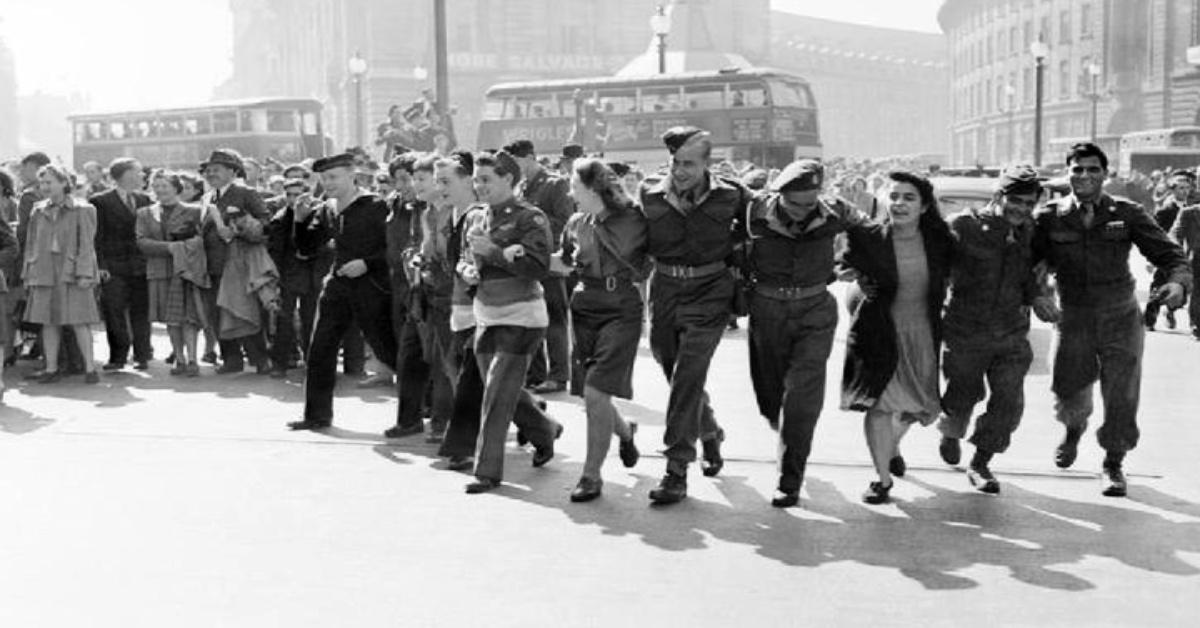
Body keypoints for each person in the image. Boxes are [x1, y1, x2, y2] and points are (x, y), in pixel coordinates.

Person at [1032, 142, 1191, 497]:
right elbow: (1026, 265)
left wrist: (1178, 283)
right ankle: (1073, 431)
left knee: (1121, 394)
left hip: (1120, 316)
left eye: (1092, 170)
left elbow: (1170, 254)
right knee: (1068, 394)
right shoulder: (1049, 217)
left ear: (1105, 175)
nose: (1084, 176)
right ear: (1068, 173)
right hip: (1073, 318)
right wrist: (1037, 294)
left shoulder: (1127, 213)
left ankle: (1113, 462)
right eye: (1077, 170)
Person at [639, 127, 751, 505]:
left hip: (710, 293)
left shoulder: (731, 196)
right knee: (671, 367)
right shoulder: (648, 192)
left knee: (688, 375)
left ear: (708, 164)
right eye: (675, 163)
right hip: (666, 289)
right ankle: (709, 430)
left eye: (689, 164)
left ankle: (676, 470)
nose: (681, 171)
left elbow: (760, 226)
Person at [742, 160, 859, 508]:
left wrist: (854, 262)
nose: (803, 212)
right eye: (795, 205)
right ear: (780, 194)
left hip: (815, 312)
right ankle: (782, 431)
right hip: (767, 310)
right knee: (770, 396)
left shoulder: (835, 211)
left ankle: (790, 477)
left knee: (803, 396)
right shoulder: (754, 212)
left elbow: (872, 233)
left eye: (810, 204)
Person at [839, 170, 953, 504]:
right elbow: (842, 268)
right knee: (879, 407)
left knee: (918, 409)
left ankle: (892, 447)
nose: (899, 203)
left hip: (923, 336)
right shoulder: (867, 237)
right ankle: (881, 477)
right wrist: (859, 282)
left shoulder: (940, 241)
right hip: (878, 334)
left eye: (909, 197)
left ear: (924, 206)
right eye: (894, 196)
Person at [937, 166, 1050, 494]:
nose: (1022, 209)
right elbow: (936, 267)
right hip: (965, 330)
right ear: (1000, 196)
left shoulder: (1031, 231)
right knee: (962, 392)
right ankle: (951, 430)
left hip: (1012, 332)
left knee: (1009, 401)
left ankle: (981, 461)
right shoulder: (963, 226)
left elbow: (1030, 275)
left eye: (1029, 203)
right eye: (1016, 200)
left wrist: (1039, 297)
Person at [458, 150, 563, 493]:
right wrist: (468, 270)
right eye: (476, 179)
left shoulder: (529, 218)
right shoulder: (476, 218)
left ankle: (486, 470)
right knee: (501, 389)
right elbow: (461, 260)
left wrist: (493, 253)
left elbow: (538, 266)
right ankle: (545, 428)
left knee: (496, 394)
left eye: (486, 179)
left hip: (523, 317)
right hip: (486, 315)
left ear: (509, 179)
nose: (479, 186)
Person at [287, 153, 398, 431]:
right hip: (337, 286)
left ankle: (424, 410)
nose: (328, 183)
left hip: (372, 287)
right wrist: (299, 221)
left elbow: (393, 250)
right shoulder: (326, 208)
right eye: (324, 178)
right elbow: (306, 249)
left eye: (333, 177)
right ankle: (316, 415)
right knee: (320, 349)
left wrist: (367, 264)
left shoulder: (376, 206)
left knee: (389, 349)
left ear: (353, 175)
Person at [559, 158, 646, 502]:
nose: (570, 193)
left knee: (596, 393)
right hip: (584, 307)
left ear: (593, 188)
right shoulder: (576, 222)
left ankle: (590, 475)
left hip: (621, 307)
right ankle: (625, 433)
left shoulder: (634, 219)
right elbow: (563, 262)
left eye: (575, 187)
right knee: (594, 393)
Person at [21, 164, 101, 384]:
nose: (45, 187)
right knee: (48, 321)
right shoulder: (38, 210)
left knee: (79, 321)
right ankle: (51, 368)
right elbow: (31, 243)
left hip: (72, 271)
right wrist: (29, 273)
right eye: (42, 183)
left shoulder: (83, 209)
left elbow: (87, 244)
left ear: (64, 183)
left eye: (49, 182)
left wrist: (85, 273)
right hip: (44, 270)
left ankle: (90, 368)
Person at [505, 139, 574, 394]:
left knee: (554, 318)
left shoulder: (555, 183)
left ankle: (559, 375)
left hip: (549, 258)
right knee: (530, 318)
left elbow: (565, 222)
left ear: (531, 157)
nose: (515, 167)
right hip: (526, 260)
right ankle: (536, 374)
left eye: (518, 161)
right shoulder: (520, 187)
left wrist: (533, 224)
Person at [200, 149, 273, 374]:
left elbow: (265, 223)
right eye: (208, 170)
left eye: (217, 169)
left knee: (246, 310)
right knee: (219, 311)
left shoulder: (245, 193)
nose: (211, 174)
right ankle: (231, 359)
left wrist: (239, 226)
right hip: (214, 264)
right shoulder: (207, 197)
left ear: (232, 171)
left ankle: (260, 359)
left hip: (240, 262)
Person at [136, 171, 207, 376]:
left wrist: (187, 247)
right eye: (156, 186)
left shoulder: (193, 211)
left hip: (186, 272)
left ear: (177, 188)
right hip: (159, 271)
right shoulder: (145, 213)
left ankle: (193, 359)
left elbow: (202, 239)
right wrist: (172, 247)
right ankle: (180, 358)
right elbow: (141, 242)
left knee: (189, 317)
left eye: (164, 186)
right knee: (171, 319)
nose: (160, 190)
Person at [92, 158, 154, 371]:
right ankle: (118, 356)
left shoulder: (145, 199)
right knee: (114, 311)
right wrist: (100, 265)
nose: (142, 176)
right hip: (113, 265)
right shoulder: (100, 201)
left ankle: (142, 355)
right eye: (138, 172)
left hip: (140, 265)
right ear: (126, 174)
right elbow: (97, 237)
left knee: (141, 311)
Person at [1144, 170, 1193, 331]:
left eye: (1187, 188)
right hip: (1166, 255)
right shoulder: (1164, 211)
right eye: (1180, 188)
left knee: (1182, 288)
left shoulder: (1193, 209)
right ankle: (1149, 319)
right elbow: (1152, 234)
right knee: (1159, 285)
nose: (1184, 191)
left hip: (1187, 255)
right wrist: (1151, 259)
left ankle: (1171, 311)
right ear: (1173, 190)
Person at [1169, 188, 1200, 341]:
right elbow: (1175, 234)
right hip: (1196, 258)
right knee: (1198, 292)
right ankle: (1196, 325)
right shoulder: (1189, 213)